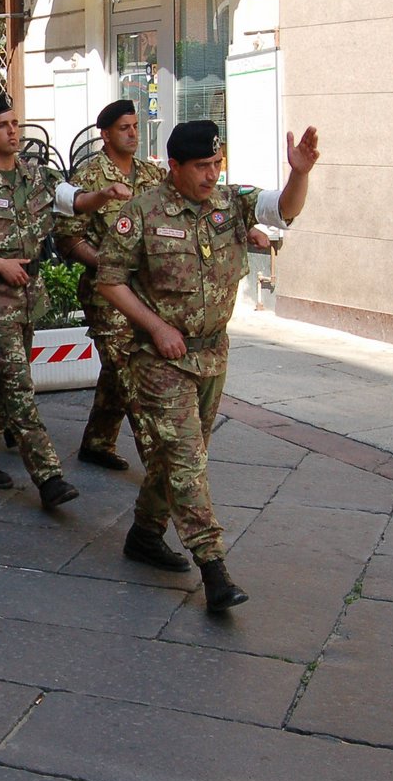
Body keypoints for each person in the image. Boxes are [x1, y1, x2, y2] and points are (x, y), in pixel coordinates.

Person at [97, 120, 320, 611]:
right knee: (187, 458)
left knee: (175, 456)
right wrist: (156, 327)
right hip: (160, 358)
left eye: (216, 164)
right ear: (173, 166)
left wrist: (299, 174)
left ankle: (145, 533)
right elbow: (110, 280)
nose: (211, 175)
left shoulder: (230, 202)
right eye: (201, 167)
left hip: (212, 353)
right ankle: (213, 566)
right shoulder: (141, 214)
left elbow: (283, 209)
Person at [0, 97, 128, 510]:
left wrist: (104, 195)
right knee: (20, 387)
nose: (13, 131)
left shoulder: (37, 176)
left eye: (15, 124)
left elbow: (74, 201)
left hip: (26, 296)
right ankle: (49, 476)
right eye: (3, 125)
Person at [55, 100, 168, 471]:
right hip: (107, 297)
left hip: (147, 294)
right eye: (124, 128)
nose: (133, 134)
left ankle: (97, 442)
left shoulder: (153, 176)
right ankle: (162, 465)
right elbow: (69, 240)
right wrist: (110, 266)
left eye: (136, 126)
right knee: (131, 377)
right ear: (105, 134)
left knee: (117, 372)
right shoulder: (88, 179)